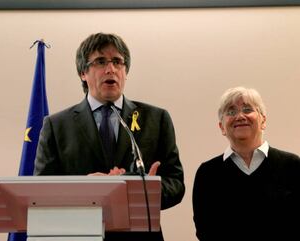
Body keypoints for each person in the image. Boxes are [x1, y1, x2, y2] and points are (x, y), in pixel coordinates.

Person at [34, 32, 185, 241]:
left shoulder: (156, 119)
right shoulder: (57, 125)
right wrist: (86, 188)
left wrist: (142, 188)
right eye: (100, 61)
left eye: (117, 61)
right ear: (82, 73)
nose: (111, 69)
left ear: (126, 70)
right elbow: (42, 192)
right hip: (79, 236)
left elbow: (176, 184)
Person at [192, 86, 300, 241]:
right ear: (222, 127)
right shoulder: (207, 173)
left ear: (263, 120)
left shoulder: (293, 165)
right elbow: (205, 231)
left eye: (248, 109)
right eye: (231, 112)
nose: (240, 116)